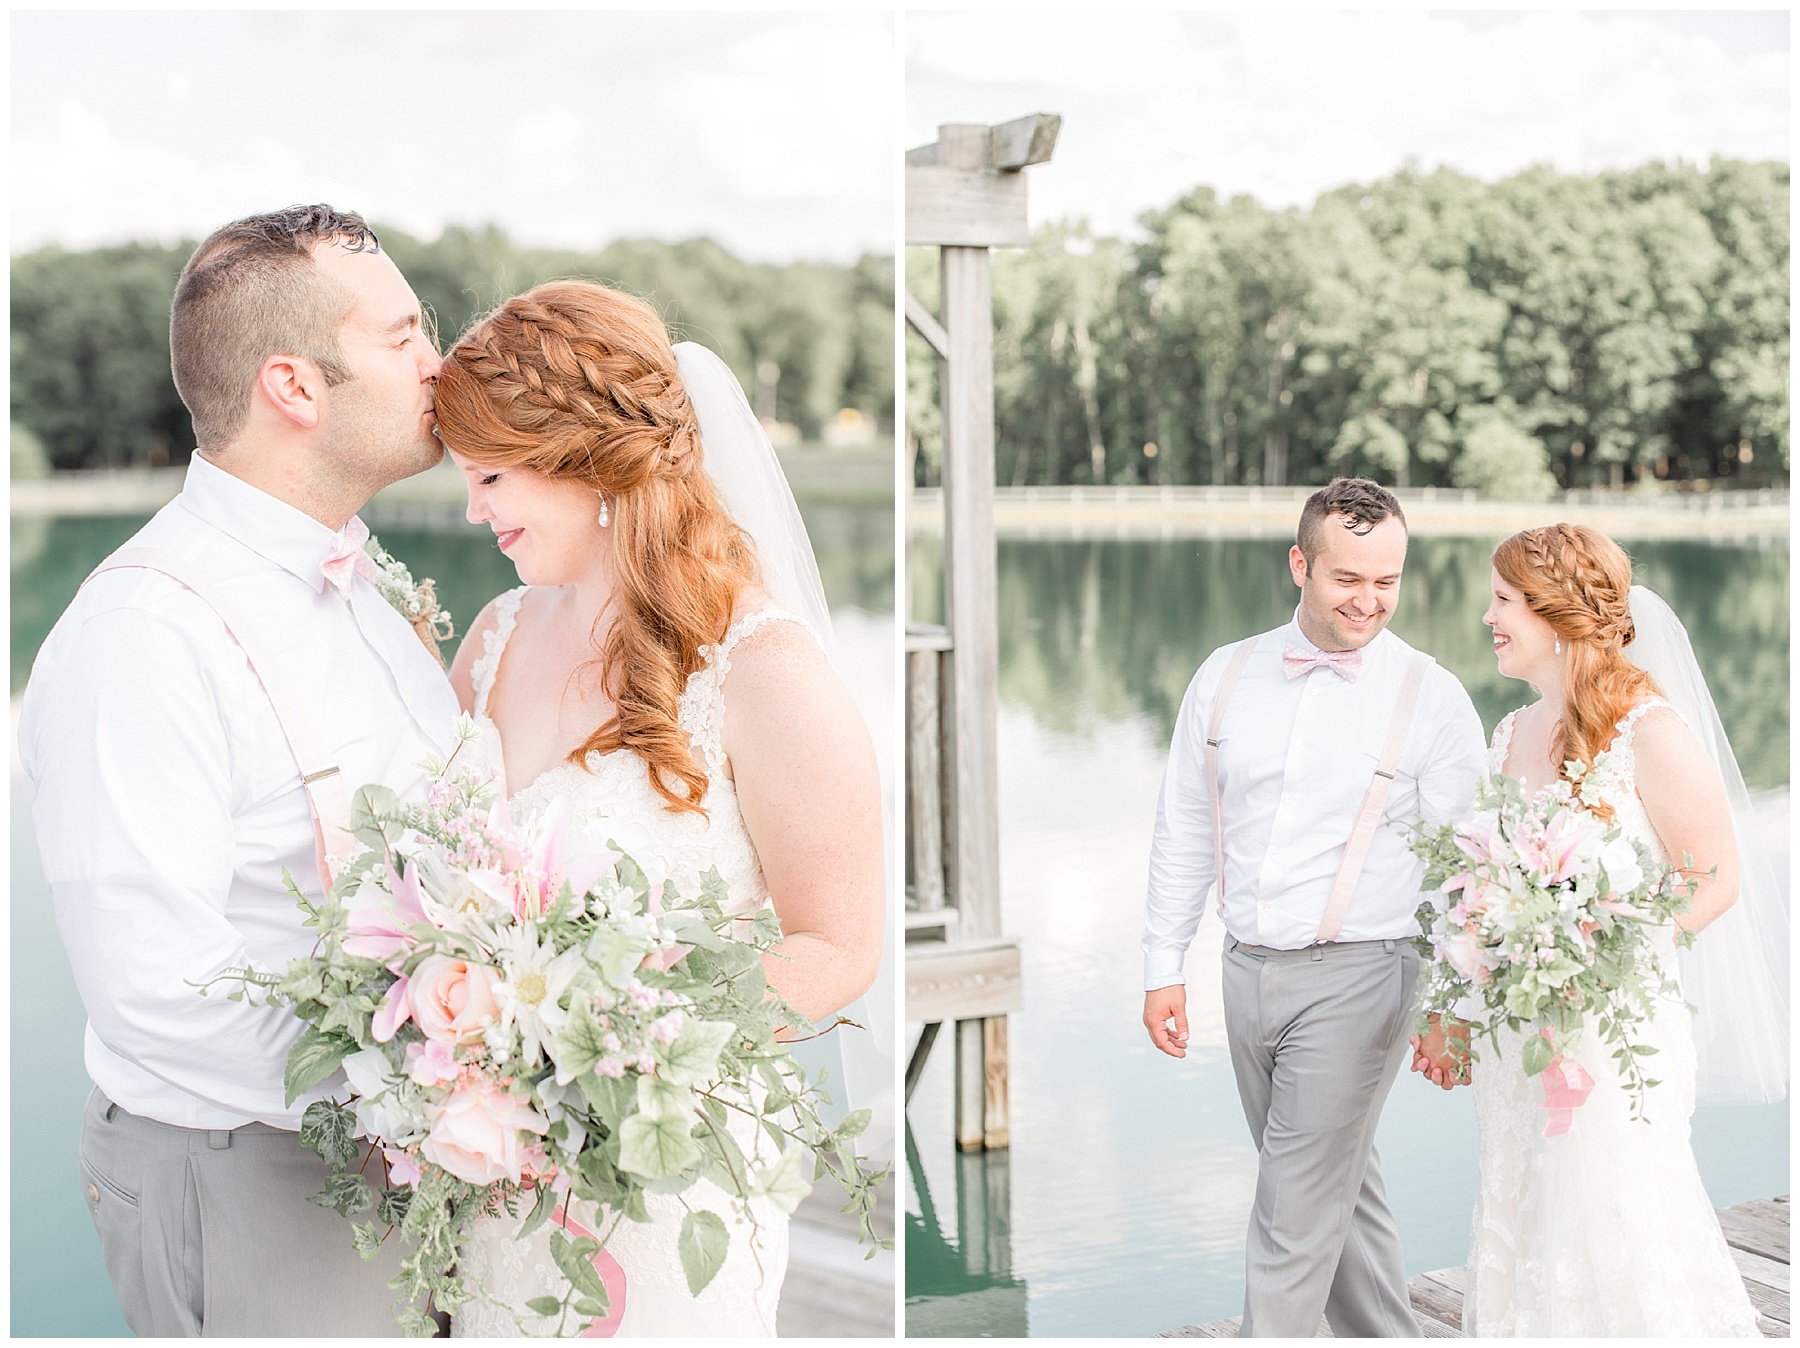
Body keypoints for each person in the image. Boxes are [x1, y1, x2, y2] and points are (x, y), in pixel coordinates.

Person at [19, 205, 457, 1335]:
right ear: (295, 388)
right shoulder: (146, 629)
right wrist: (444, 1083)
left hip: (417, 1158)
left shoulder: (367, 586)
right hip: (245, 1177)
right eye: (403, 335)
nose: (437, 363)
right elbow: (158, 987)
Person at [429, 281, 886, 1336]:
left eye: (492, 475)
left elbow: (839, 942)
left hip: (664, 1180)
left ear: (589, 462)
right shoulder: (493, 639)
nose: (472, 511)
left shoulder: (761, 669)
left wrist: (618, 1039)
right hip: (497, 1172)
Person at [1410, 523, 1778, 1336]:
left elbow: (1712, 881)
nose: (1489, 617)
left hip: (1613, 1030)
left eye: (1503, 600)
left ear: (1557, 613)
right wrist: (1456, 997)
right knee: (1521, 1205)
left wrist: (1601, 948)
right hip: (1522, 1037)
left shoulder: (1652, 733)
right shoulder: (1511, 732)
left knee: (1617, 1208)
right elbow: (1482, 886)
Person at [1141, 477, 1487, 1338]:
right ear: (1301, 564)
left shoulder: (1431, 696)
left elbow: (1467, 869)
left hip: (1362, 978)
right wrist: (1162, 964)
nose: (1369, 601)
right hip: (1243, 972)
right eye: (1348, 580)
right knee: (1338, 1189)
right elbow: (1184, 826)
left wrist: (1454, 1004)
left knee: (1289, 1219)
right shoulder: (1224, 676)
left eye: (1387, 581)